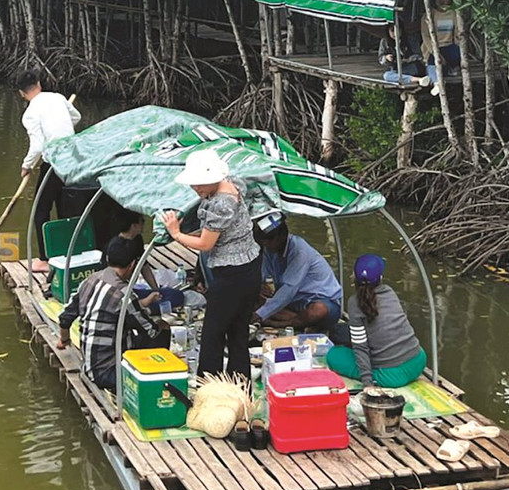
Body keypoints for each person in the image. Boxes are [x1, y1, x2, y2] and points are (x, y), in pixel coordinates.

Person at [161, 148, 262, 385]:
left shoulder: (220, 205)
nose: (195, 189)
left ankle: (207, 388)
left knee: (212, 335)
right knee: (237, 334)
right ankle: (240, 389)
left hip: (232, 275)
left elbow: (205, 244)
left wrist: (176, 233)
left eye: (199, 184)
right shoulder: (233, 184)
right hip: (249, 269)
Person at [57, 237, 164, 390]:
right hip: (109, 373)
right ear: (132, 265)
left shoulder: (90, 280)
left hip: (90, 366)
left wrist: (64, 339)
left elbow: (64, 317)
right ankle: (156, 382)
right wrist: (161, 324)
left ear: (107, 258)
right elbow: (151, 330)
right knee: (161, 332)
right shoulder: (124, 294)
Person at [325, 254, 428, 388]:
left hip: (392, 375)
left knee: (334, 355)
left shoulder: (354, 303)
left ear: (354, 278)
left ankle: (376, 374)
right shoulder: (390, 292)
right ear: (380, 278)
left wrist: (367, 383)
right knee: (342, 333)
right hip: (418, 361)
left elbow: (360, 346)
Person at [18, 73, 84, 243]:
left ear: (21, 93)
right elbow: (76, 117)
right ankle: (69, 250)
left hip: (54, 164)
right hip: (73, 161)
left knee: (40, 210)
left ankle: (44, 259)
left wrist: (27, 166)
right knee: (66, 209)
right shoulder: (58, 98)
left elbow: (38, 146)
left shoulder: (30, 113)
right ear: (39, 84)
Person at [254, 211, 343, 334]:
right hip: (295, 304)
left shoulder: (299, 250)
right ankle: (300, 323)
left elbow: (288, 290)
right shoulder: (269, 250)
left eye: (269, 240)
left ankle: (282, 323)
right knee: (254, 299)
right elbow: (261, 275)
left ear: (281, 236)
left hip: (322, 302)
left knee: (318, 310)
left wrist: (259, 314)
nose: (265, 244)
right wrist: (258, 287)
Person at [431, 0, 464, 71]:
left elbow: (457, 32)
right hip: (434, 48)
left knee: (457, 54)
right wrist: (435, 52)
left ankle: (451, 68)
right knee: (434, 64)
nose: (441, 0)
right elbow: (426, 37)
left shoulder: (454, 14)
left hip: (449, 46)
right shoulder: (430, 14)